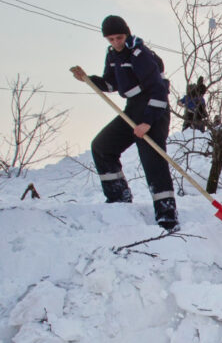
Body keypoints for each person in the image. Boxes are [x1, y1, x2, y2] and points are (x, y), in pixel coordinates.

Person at [70, 15, 178, 231]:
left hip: (154, 109)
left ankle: (167, 215)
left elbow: (159, 89)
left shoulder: (140, 54)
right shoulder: (112, 55)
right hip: (133, 108)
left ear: (126, 34)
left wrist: (147, 122)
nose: (116, 43)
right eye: (111, 39)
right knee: (102, 147)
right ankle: (118, 198)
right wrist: (89, 79)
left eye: (119, 37)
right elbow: (111, 84)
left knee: (152, 157)